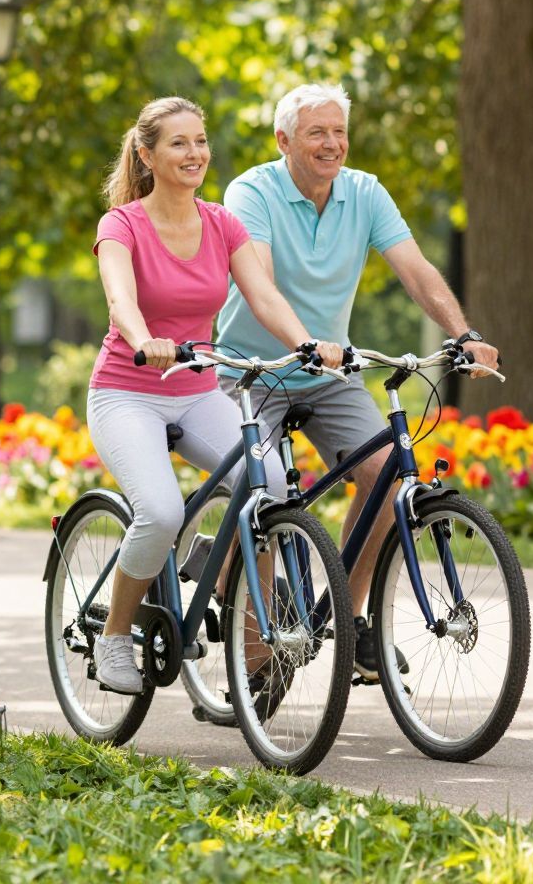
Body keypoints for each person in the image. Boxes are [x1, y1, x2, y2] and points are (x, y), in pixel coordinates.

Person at [215, 83, 500, 682]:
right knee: (264, 489)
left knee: (386, 476)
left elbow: (417, 270)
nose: (332, 144)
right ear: (284, 140)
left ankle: (349, 621)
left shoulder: (364, 192)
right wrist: (300, 341)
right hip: (254, 372)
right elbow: (259, 282)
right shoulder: (251, 192)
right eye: (317, 132)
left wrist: (463, 330)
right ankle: (255, 659)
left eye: (339, 131)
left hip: (329, 372)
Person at [86, 97, 343, 696]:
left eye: (200, 141)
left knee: (272, 485)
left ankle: (217, 579)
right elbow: (120, 298)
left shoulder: (222, 222)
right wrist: (144, 337)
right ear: (147, 155)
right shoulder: (121, 224)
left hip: (199, 389)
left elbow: (264, 295)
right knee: (160, 511)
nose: (195, 153)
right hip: (128, 391)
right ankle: (115, 636)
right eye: (179, 143)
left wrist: (307, 343)